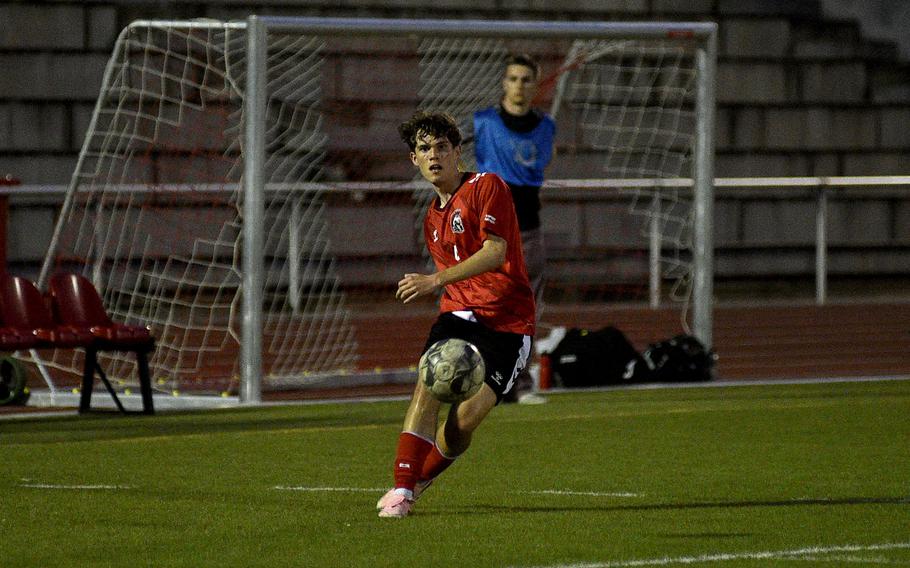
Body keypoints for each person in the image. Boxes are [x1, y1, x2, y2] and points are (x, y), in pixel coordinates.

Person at [376, 110, 535, 518]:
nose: (434, 156)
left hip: (508, 323)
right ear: (414, 159)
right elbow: (459, 280)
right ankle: (402, 487)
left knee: (464, 422)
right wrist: (443, 288)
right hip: (460, 314)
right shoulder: (432, 219)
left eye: (442, 147)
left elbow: (495, 253)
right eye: (424, 149)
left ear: (456, 152)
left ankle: (424, 476)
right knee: (426, 384)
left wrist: (433, 281)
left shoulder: (487, 186)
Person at [473, 53, 555, 403]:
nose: (519, 85)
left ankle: (518, 384)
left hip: (529, 230)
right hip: (489, 233)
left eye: (525, 79)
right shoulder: (482, 123)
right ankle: (478, 379)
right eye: (513, 78)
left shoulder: (547, 127)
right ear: (503, 82)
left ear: (535, 85)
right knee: (482, 307)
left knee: (524, 312)